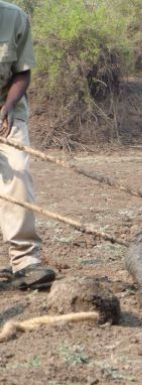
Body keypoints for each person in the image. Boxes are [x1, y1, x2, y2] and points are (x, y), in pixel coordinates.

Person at [0, 1, 54, 289]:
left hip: (7, 112)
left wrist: (8, 106)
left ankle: (25, 262)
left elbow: (22, 72)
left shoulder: (15, 18)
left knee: (17, 172)